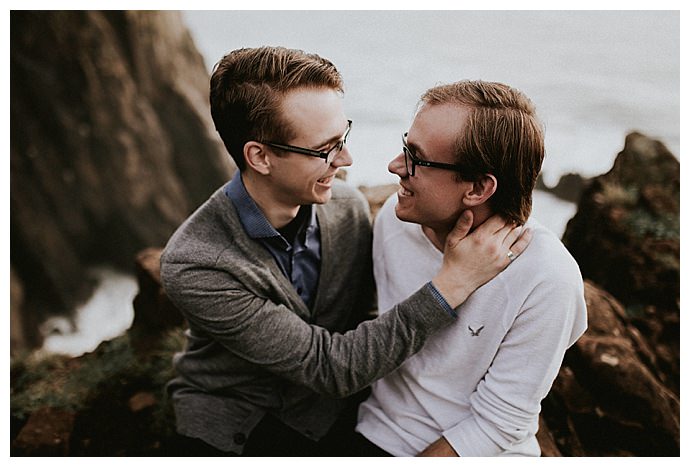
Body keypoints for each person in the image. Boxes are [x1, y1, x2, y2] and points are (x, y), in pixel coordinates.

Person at [159, 47, 530, 456]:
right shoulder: (194, 263)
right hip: (237, 428)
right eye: (327, 148)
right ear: (260, 156)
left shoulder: (347, 208)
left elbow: (367, 317)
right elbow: (330, 367)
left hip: (334, 415)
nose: (347, 159)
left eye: (344, 137)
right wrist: (453, 283)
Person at [352, 80, 588, 457]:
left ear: (478, 188)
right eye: (403, 147)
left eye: (416, 158)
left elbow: (496, 427)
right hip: (376, 432)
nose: (396, 167)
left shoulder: (547, 277)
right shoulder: (396, 223)